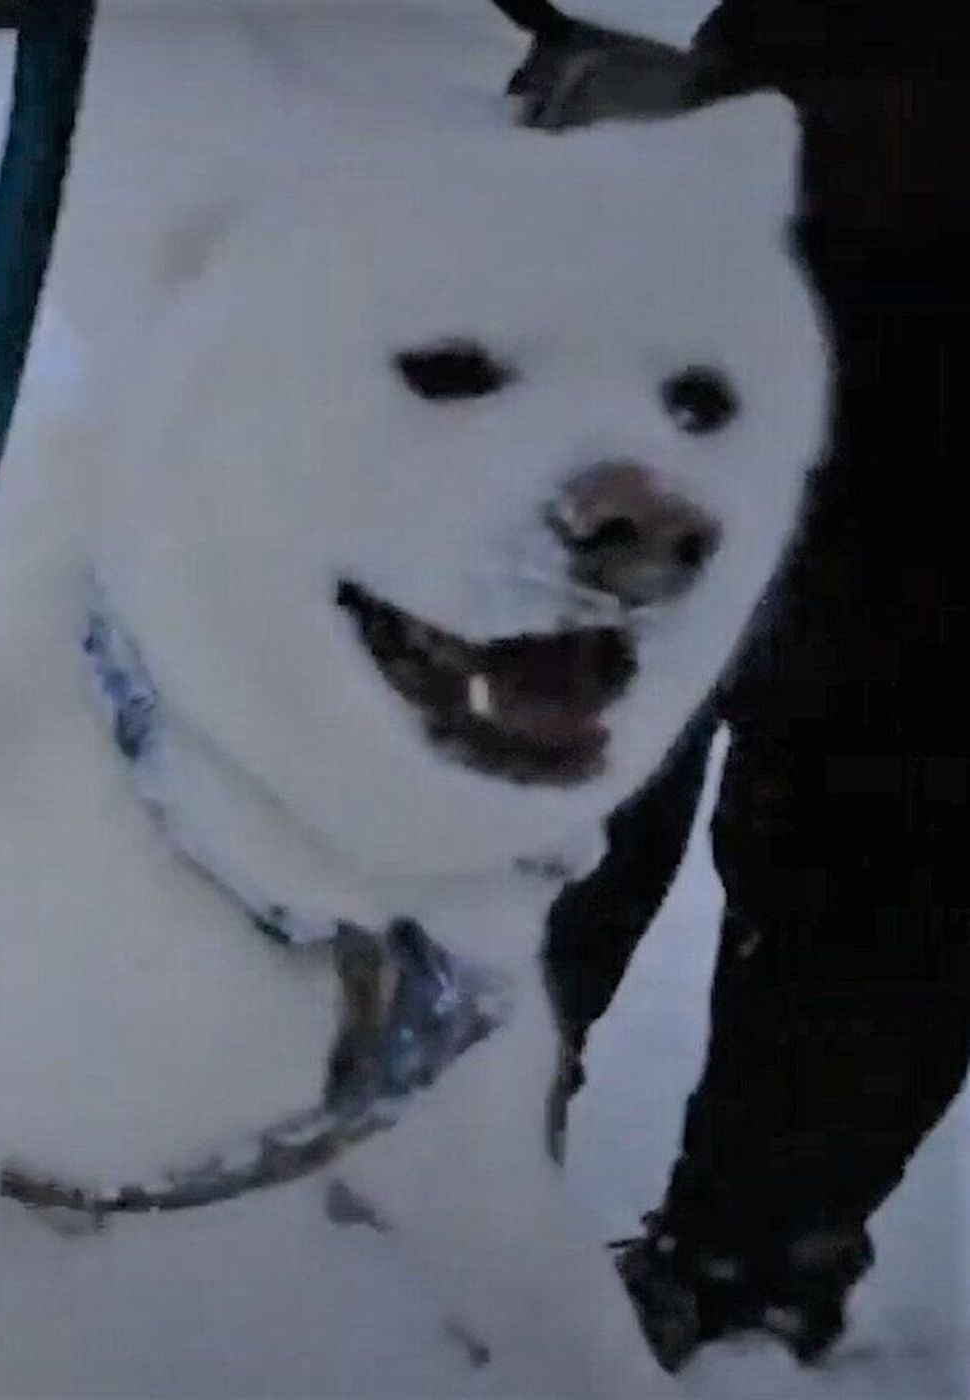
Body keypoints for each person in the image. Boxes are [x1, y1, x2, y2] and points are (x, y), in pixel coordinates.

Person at [502, 0, 969, 1372]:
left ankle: (741, 1264)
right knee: (569, 708)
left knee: (882, 772)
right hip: (722, 152)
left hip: (764, 164)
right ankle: (479, 1166)